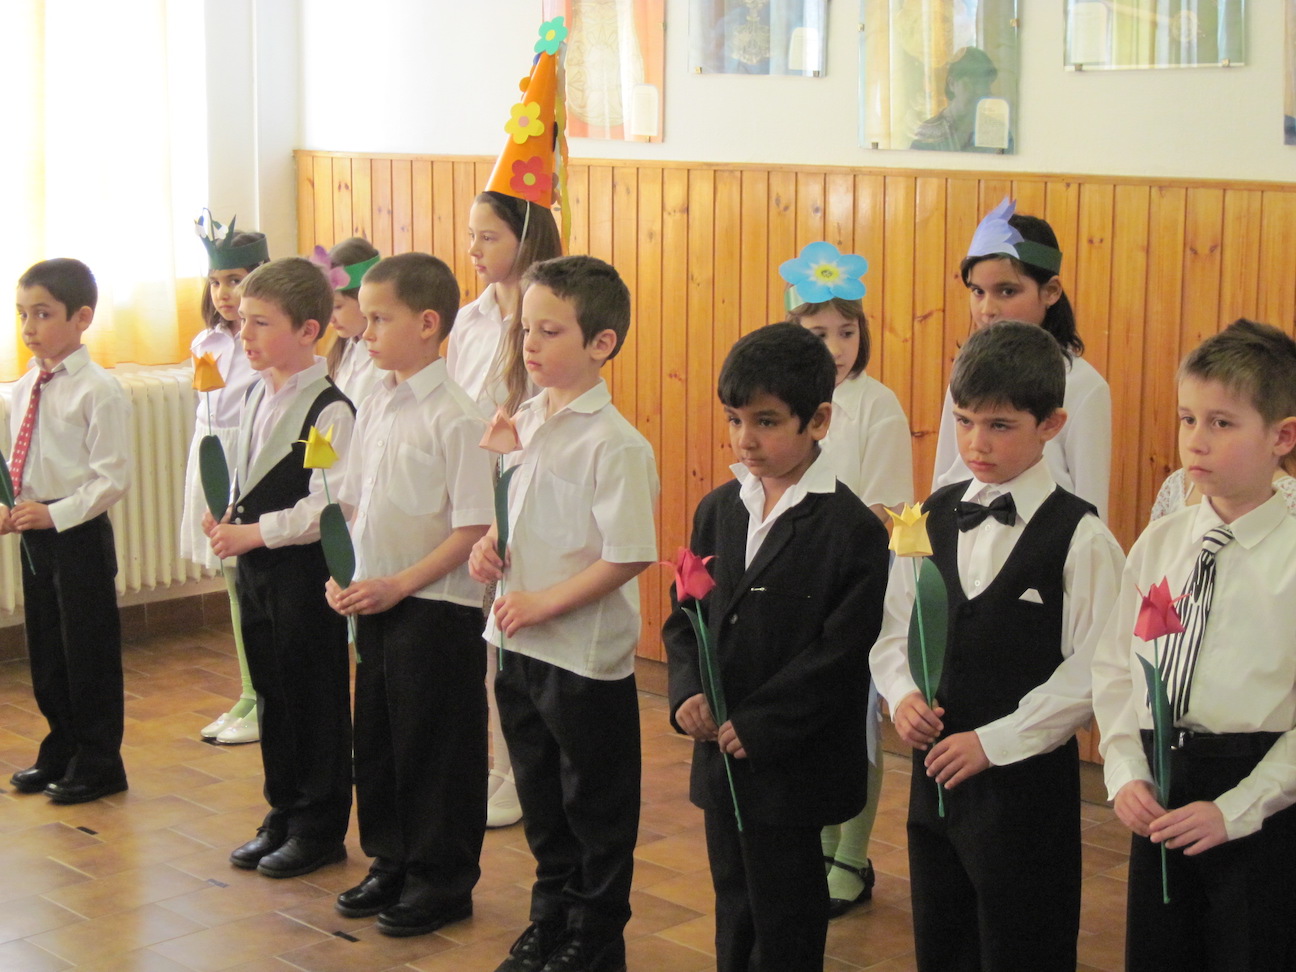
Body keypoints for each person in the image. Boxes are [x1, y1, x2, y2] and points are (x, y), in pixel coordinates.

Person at [872, 321, 1124, 972]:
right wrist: (902, 693)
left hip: (1025, 785)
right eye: (963, 421)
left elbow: (1094, 669)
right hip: (935, 777)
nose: (976, 443)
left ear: (1051, 424)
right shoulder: (928, 516)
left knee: (1024, 941)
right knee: (942, 936)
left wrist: (996, 741)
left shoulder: (1082, 538)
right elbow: (895, 626)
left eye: (1000, 425)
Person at [664, 322, 889, 971]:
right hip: (721, 753)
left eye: (766, 422)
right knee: (733, 899)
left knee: (786, 910)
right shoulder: (718, 510)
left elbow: (843, 652)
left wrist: (763, 723)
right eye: (735, 420)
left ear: (818, 420)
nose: (746, 439)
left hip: (794, 764)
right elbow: (686, 618)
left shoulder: (851, 529)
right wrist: (689, 690)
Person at [468, 255, 658, 972]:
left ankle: (594, 937)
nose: (530, 345)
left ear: (601, 343)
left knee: (594, 808)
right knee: (542, 800)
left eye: (550, 332)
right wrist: (489, 544)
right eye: (526, 330)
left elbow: (628, 555)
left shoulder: (616, 444)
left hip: (580, 657)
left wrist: (545, 602)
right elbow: (513, 512)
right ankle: (550, 920)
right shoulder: (524, 419)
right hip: (517, 645)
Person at [1092, 320, 1296, 972]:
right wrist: (1125, 767)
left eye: (1221, 423)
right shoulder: (1161, 542)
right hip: (1162, 785)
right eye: (1187, 419)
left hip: (1261, 795)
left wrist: (1237, 810)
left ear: (1282, 437)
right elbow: (1116, 668)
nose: (1196, 441)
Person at [327, 252, 495, 937]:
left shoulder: (458, 416)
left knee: (436, 747)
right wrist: (346, 572)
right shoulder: (375, 400)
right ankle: (391, 859)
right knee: (380, 739)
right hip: (377, 598)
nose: (363, 332)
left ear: (427, 324)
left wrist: (400, 582)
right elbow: (359, 501)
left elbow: (473, 527)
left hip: (435, 607)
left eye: (378, 319)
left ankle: (442, 878)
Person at [206, 257, 356, 879]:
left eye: (261, 323)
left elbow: (327, 503)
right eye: (243, 321)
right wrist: (227, 517)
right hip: (257, 571)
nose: (245, 334)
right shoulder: (252, 392)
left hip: (303, 574)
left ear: (308, 330)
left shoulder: (329, 409)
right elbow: (251, 475)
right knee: (271, 687)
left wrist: (254, 532)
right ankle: (284, 809)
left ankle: (319, 825)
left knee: (312, 693)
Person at [789, 277, 913, 918]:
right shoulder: (790, 397)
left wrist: (832, 559)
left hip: (855, 579)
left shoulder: (876, 403)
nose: (836, 347)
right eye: (819, 333)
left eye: (847, 331)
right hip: (796, 579)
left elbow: (886, 506)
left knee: (856, 722)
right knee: (809, 716)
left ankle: (852, 856)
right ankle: (816, 842)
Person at [449, 192, 563, 830]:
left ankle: (518, 772)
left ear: (526, 237)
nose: (474, 250)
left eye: (488, 237)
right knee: (483, 639)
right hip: (472, 489)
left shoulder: (541, 318)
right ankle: (496, 767)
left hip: (516, 487)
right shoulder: (469, 318)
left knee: (510, 635)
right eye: (472, 235)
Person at [4, 258, 131, 805]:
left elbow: (112, 478)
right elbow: (22, 461)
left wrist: (55, 514)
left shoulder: (99, 390)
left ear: (81, 318)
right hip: (35, 527)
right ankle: (62, 745)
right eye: (21, 314)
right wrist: (12, 506)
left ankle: (100, 761)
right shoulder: (24, 386)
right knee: (47, 647)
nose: (29, 327)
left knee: (87, 650)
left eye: (42, 314)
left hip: (76, 531)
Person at [931, 198, 1113, 520]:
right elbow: (945, 476)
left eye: (1007, 291)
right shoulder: (967, 372)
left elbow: (1090, 503)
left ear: (1051, 291)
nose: (987, 309)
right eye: (977, 291)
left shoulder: (1084, 386)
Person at [187, 211, 268, 745]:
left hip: (249, 459)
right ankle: (246, 691)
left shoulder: (263, 342)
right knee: (231, 585)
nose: (224, 293)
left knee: (251, 585)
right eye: (216, 282)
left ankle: (262, 695)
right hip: (213, 457)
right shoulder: (207, 342)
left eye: (235, 280)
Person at [320, 236, 382, 408]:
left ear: (366, 299)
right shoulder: (341, 352)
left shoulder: (389, 361)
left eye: (337, 306)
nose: (330, 318)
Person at [909, 46, 1002, 153]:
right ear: (952, 83)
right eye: (973, 83)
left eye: (986, 84)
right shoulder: (928, 134)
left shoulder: (995, 131)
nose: (981, 91)